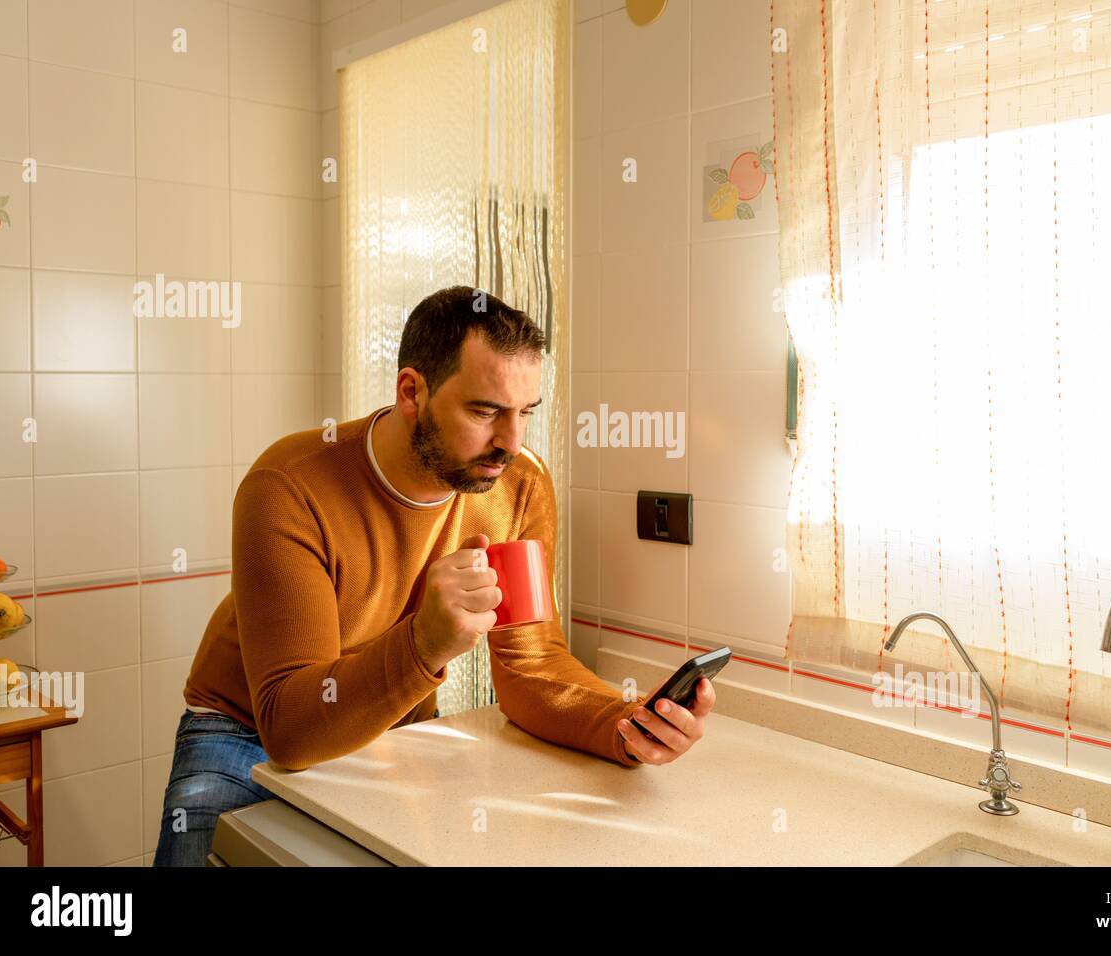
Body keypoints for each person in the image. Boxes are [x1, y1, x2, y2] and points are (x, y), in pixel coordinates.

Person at [152, 285, 713, 866]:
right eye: (485, 411)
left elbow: (531, 667)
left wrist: (623, 724)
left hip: (396, 725)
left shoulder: (517, 485)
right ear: (411, 391)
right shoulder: (291, 486)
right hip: (244, 729)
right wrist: (425, 644)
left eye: (525, 413)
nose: (512, 443)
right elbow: (290, 731)